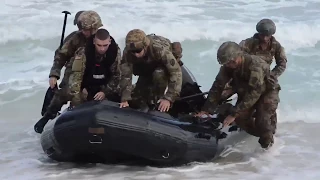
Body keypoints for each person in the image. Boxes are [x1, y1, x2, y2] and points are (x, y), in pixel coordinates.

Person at [195, 41, 280, 149]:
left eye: (231, 62)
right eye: (226, 63)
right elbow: (217, 86)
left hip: (266, 91)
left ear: (238, 56)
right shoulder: (228, 66)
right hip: (245, 89)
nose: (229, 65)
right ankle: (259, 132)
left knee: (263, 122)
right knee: (241, 120)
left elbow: (254, 93)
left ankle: (268, 149)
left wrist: (235, 113)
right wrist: (206, 109)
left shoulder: (255, 66)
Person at [34, 10, 104, 134]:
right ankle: (48, 117)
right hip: (73, 73)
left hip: (94, 76)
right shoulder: (76, 38)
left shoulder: (102, 40)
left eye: (86, 29)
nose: (83, 32)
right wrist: (54, 74)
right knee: (63, 94)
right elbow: (61, 55)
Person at [238, 18, 287, 134]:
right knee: (241, 112)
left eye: (267, 36)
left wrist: (273, 75)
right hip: (248, 78)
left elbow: (282, 63)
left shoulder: (276, 46)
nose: (264, 39)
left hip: (266, 78)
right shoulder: (247, 44)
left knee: (267, 108)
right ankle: (251, 130)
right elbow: (237, 59)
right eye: (262, 35)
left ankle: (269, 133)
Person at [119, 29, 183, 112]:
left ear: (145, 46)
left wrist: (169, 98)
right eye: (133, 52)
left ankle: (157, 102)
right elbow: (126, 74)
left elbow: (176, 72)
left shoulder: (159, 49)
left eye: (138, 51)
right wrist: (125, 98)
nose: (136, 54)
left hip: (162, 68)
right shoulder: (128, 52)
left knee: (159, 73)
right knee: (136, 97)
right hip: (146, 67)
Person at [68, 27, 121, 107]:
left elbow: (117, 76)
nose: (102, 49)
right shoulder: (83, 53)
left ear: (109, 42)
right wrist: (77, 101)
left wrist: (105, 92)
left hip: (106, 86)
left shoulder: (115, 52)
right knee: (66, 94)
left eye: (105, 45)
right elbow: (76, 79)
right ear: (94, 42)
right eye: (99, 45)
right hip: (86, 85)